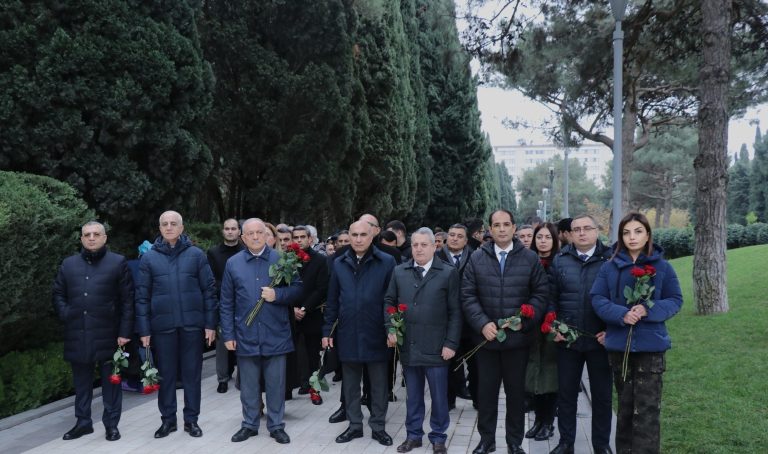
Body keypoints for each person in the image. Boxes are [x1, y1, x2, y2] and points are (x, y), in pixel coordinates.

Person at [591, 212, 683, 454]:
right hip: (620, 348)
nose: (632, 237)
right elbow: (597, 298)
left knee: (647, 412)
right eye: (626, 232)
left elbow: (675, 299)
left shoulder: (662, 267)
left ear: (648, 234)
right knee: (625, 408)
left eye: (638, 231)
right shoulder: (609, 267)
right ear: (621, 236)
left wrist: (646, 309)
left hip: (651, 350)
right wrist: (621, 314)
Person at [462, 209, 549, 454]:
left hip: (518, 341)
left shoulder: (529, 259)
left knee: (515, 395)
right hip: (486, 341)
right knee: (486, 394)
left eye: (506, 224)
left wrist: (526, 319)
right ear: (490, 229)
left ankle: (514, 442)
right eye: (496, 225)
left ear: (513, 228)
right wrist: (482, 323)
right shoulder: (477, 258)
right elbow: (467, 295)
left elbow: (541, 294)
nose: (501, 229)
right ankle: (487, 440)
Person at [135, 211, 217, 439]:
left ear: (182, 228)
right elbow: (141, 297)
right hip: (163, 327)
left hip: (192, 326)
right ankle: (168, 421)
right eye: (164, 224)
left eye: (174, 224)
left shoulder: (196, 255)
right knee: (166, 376)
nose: (169, 227)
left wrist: (210, 324)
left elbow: (209, 291)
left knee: (192, 376)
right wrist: (144, 330)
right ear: (159, 228)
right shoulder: (149, 258)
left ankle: (191, 421)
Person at [219, 218, 302, 445]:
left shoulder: (282, 260)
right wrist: (228, 335)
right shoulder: (233, 264)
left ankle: (276, 426)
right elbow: (226, 302)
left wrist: (279, 296)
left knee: (276, 384)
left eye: (259, 232)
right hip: (245, 335)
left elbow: (297, 289)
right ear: (242, 238)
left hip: (276, 333)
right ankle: (249, 424)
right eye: (250, 234)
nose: (255, 237)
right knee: (248, 386)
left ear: (267, 235)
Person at [52, 221, 134, 442]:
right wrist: (67, 313)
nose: (91, 238)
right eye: (87, 234)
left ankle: (111, 425)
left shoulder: (118, 263)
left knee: (112, 383)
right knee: (81, 383)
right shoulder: (68, 265)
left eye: (96, 234)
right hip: (77, 333)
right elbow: (58, 293)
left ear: (104, 238)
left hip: (110, 334)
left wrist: (125, 332)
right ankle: (83, 423)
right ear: (81, 239)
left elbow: (128, 301)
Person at [385, 228, 461, 454]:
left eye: (423, 245)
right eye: (415, 245)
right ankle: (414, 435)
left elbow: (456, 311)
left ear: (434, 246)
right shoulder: (399, 272)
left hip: (438, 348)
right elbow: (389, 301)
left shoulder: (448, 273)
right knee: (413, 396)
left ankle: (438, 437)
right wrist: (391, 328)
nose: (418, 249)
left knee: (439, 397)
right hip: (409, 345)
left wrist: (451, 343)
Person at [322, 220, 396, 446]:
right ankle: (354, 426)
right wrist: (327, 330)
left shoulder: (386, 261)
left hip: (376, 332)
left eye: (363, 234)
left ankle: (378, 426)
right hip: (348, 332)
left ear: (373, 235)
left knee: (379, 384)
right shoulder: (339, 263)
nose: (358, 239)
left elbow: (391, 300)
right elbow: (332, 300)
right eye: (354, 234)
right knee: (351, 384)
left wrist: (391, 328)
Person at [548, 214, 613, 454]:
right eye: (577, 229)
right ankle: (566, 443)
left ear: (597, 231)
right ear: (570, 234)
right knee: (566, 395)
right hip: (568, 340)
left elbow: (617, 299)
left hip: (601, 341)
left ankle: (602, 444)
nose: (582, 233)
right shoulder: (560, 260)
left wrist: (611, 330)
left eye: (587, 228)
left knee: (603, 396)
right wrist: (553, 326)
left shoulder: (610, 259)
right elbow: (550, 298)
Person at [524, 222, 560, 441]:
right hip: (531, 326)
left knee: (550, 376)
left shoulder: (560, 261)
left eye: (547, 237)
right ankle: (538, 420)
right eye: (539, 237)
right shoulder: (527, 261)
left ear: (554, 239)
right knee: (533, 376)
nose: (543, 241)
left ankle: (548, 422)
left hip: (552, 327)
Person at [435, 224, 475, 408]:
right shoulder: (436, 257)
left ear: (466, 240)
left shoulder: (475, 257)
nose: (455, 238)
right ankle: (448, 401)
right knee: (448, 363)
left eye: (460, 236)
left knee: (476, 364)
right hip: (445, 320)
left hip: (470, 321)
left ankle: (477, 398)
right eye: (451, 235)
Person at [291, 225, 329, 404]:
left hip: (312, 314)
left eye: (302, 237)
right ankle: (297, 384)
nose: (299, 240)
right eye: (295, 237)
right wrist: (293, 309)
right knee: (293, 354)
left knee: (313, 355)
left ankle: (315, 389)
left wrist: (304, 308)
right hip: (291, 314)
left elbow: (321, 289)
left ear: (310, 239)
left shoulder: (321, 261)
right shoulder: (287, 259)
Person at [207, 219, 244, 394]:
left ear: (239, 231)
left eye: (233, 229)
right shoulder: (213, 253)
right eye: (227, 229)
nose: (230, 232)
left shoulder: (245, 251)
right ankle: (222, 378)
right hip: (223, 301)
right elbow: (211, 279)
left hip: (244, 301)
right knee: (222, 342)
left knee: (244, 339)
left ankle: (243, 376)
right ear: (223, 232)